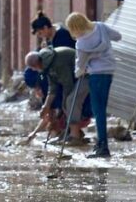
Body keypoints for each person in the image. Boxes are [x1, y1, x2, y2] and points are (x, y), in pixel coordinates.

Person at [66, 12, 122, 159]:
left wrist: (80, 70)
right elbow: (118, 36)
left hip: (95, 75)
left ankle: (103, 147)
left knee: (99, 112)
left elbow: (79, 68)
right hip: (109, 71)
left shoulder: (81, 43)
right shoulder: (101, 27)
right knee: (101, 109)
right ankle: (100, 144)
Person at [23, 47, 92, 146]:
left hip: (87, 73)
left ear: (37, 64)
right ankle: (70, 134)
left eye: (34, 68)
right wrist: (46, 106)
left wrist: (64, 104)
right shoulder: (46, 65)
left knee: (70, 101)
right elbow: (53, 87)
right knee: (66, 104)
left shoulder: (57, 62)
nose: (35, 70)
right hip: (77, 76)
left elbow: (68, 84)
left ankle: (75, 136)